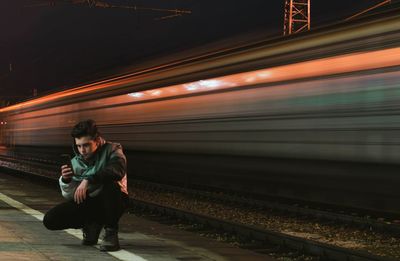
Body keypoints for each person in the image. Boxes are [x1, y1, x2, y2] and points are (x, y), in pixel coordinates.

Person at [43, 119, 129, 252]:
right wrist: (66, 181)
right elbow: (71, 196)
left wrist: (89, 179)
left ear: (97, 140)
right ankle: (91, 224)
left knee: (111, 186)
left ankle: (111, 233)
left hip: (113, 200)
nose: (82, 150)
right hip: (90, 201)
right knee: (50, 220)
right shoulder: (75, 162)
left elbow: (118, 170)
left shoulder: (113, 150)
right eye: (79, 146)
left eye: (86, 145)